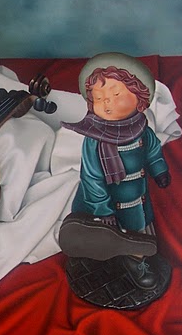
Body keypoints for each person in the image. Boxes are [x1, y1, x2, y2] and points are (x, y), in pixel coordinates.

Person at [59, 52, 171, 290]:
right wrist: (103, 209)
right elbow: (91, 177)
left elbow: (152, 151)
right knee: (129, 235)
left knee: (140, 228)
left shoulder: (142, 130)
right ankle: (135, 263)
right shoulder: (95, 140)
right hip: (108, 203)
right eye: (99, 98)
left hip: (138, 196)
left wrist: (159, 170)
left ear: (139, 97)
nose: (106, 103)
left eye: (115, 95)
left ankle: (137, 255)